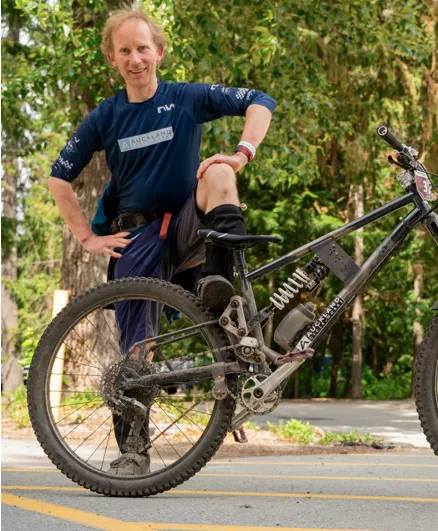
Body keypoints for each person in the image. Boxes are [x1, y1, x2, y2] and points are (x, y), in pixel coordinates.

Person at [47, 5, 276, 475]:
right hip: (138, 236)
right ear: (112, 58)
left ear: (160, 52)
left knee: (217, 172)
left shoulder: (186, 98)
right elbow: (59, 179)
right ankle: (133, 450)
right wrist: (87, 236)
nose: (136, 58)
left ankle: (220, 286)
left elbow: (260, 99)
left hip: (192, 225)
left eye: (143, 48)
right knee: (137, 348)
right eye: (125, 50)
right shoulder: (106, 116)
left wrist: (242, 153)